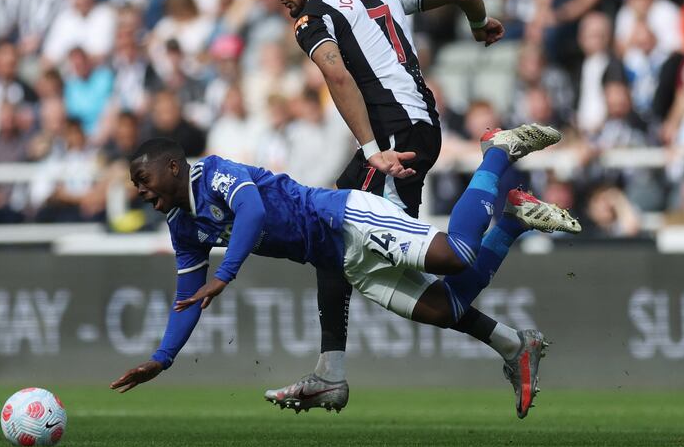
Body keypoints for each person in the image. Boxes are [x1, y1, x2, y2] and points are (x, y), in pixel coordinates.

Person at [110, 126, 581, 418]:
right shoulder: (182, 225)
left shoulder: (212, 174)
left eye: (145, 182)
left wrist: (227, 272)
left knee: (457, 253)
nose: (143, 194)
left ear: (173, 166)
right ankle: (513, 221)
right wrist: (163, 357)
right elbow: (187, 295)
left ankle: (497, 152)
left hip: (347, 218)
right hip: (344, 260)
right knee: (446, 307)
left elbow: (251, 212)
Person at [267, 0, 540, 417]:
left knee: (438, 261)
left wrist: (372, 150)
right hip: (419, 126)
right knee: (392, 272)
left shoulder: (315, 16)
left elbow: (337, 76)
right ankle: (510, 342)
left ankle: (498, 164)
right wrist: (481, 24)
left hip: (393, 140)